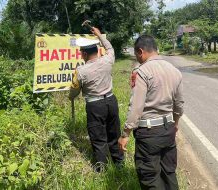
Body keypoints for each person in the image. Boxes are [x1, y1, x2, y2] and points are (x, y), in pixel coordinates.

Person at [118, 35, 184, 190]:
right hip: (168, 129)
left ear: (140, 51)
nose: (137, 58)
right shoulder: (174, 70)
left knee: (150, 178)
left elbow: (136, 106)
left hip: (149, 134)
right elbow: (179, 104)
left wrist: (125, 134)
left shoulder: (141, 71)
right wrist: (176, 124)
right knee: (169, 173)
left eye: (136, 55)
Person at [69, 27, 124, 172]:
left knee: (98, 137)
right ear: (97, 51)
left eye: (81, 53)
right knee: (114, 133)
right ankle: (119, 163)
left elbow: (74, 90)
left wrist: (71, 97)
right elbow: (110, 48)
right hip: (111, 101)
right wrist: (99, 35)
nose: (81, 55)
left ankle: (101, 168)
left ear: (85, 54)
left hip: (95, 106)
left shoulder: (81, 71)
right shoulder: (107, 60)